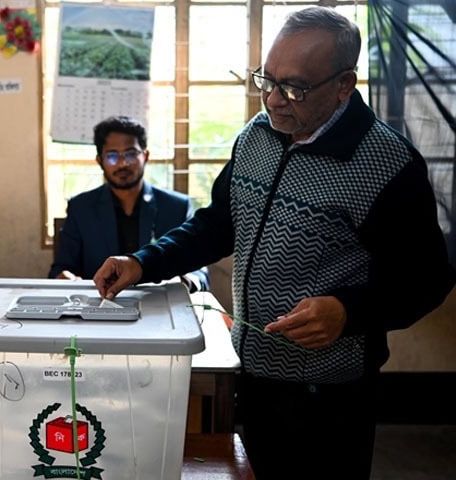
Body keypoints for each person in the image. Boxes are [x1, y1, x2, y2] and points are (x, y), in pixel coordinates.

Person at [92, 7, 455, 480]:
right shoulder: (258, 137)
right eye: (266, 79)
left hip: (331, 394)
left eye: (295, 88)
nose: (273, 100)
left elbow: (427, 280)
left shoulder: (386, 164)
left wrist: (349, 312)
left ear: (345, 85)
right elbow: (217, 224)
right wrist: (143, 262)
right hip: (255, 372)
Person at [48, 115, 209, 292]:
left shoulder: (177, 207)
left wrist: (184, 282)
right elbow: (61, 269)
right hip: (100, 308)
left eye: (131, 154)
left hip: (159, 307)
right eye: (112, 156)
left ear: (145, 156)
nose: (122, 163)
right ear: (99, 160)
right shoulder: (81, 208)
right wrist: (66, 278)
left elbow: (199, 273)